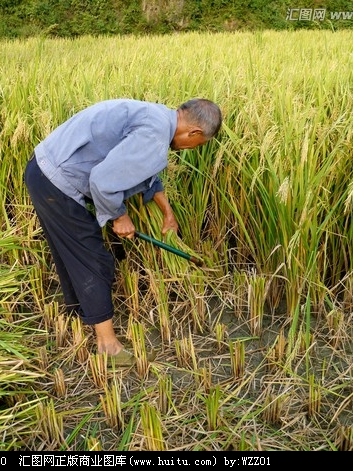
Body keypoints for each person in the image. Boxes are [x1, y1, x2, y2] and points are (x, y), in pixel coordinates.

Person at [24, 98, 222, 365]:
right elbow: (103, 182)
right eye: (197, 145)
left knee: (70, 253)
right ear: (194, 133)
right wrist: (120, 217)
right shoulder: (154, 137)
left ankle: (79, 315)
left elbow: (144, 172)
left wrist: (168, 212)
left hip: (42, 170)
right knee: (95, 261)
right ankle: (109, 348)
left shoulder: (157, 118)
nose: (190, 149)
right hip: (57, 181)